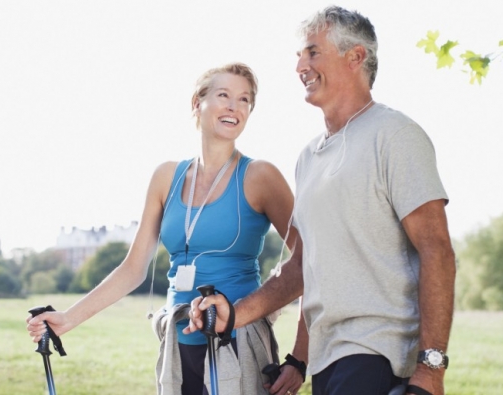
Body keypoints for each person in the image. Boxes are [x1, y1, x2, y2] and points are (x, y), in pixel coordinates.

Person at [186, 6, 456, 395]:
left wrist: (431, 370)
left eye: (312, 51)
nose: (300, 65)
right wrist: (236, 315)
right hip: (329, 361)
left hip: (378, 352)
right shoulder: (309, 157)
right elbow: (302, 269)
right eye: (299, 54)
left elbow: (437, 249)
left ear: (356, 57)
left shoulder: (395, 135)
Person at [26, 62, 302, 394]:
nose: (234, 106)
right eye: (224, 95)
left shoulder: (260, 176)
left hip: (236, 343)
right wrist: (69, 318)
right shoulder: (165, 177)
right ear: (196, 103)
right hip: (178, 342)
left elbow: (309, 264)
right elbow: (133, 268)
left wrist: (299, 360)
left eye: (244, 100)